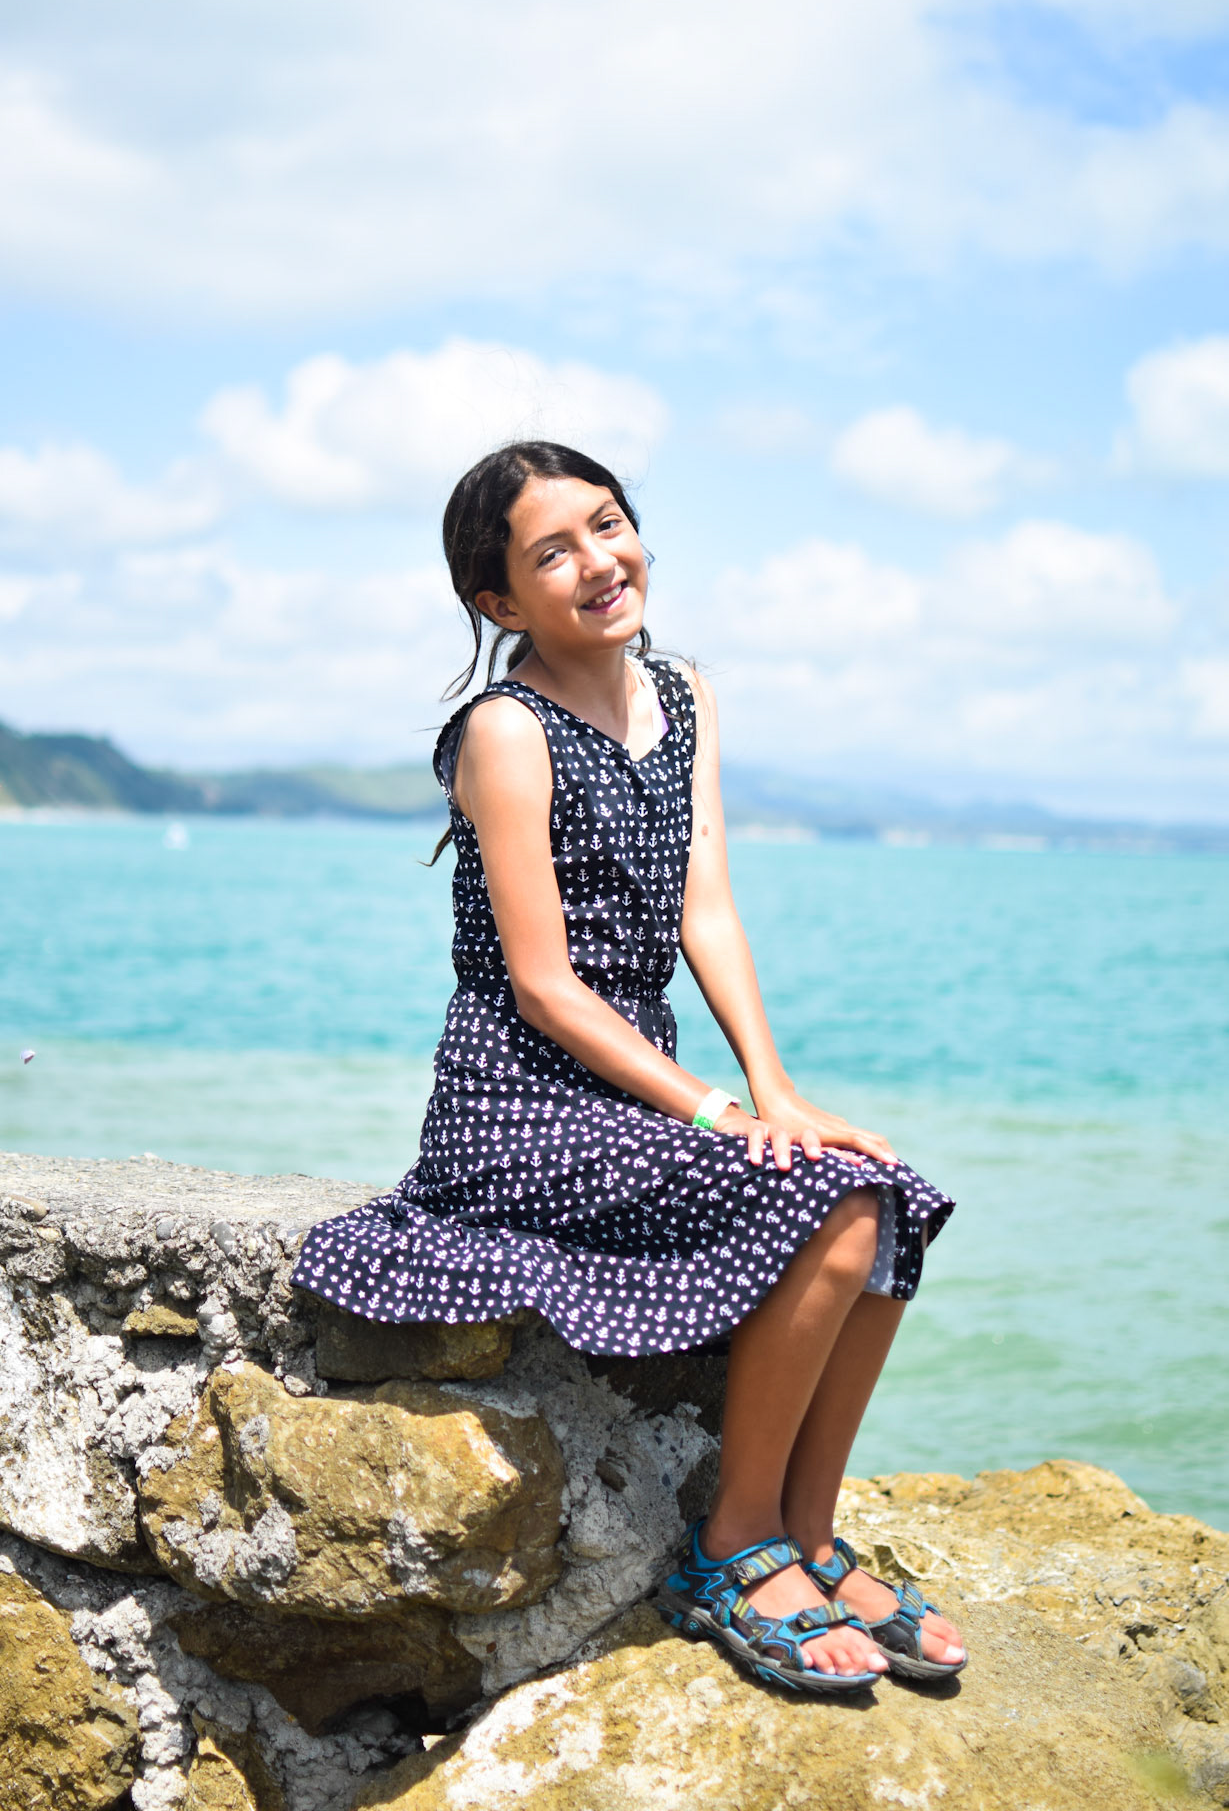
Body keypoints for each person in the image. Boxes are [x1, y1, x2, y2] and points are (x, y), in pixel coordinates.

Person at [292, 441, 967, 1695]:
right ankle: (734, 1543)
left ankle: (811, 1532)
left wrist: (774, 1091)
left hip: (638, 1090)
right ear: (499, 601)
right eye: (554, 551)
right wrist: (713, 1110)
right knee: (827, 1207)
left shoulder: (685, 692)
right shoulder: (505, 728)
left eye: (609, 524)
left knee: (887, 1194)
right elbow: (544, 986)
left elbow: (705, 905)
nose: (600, 560)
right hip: (516, 1106)